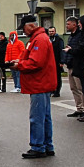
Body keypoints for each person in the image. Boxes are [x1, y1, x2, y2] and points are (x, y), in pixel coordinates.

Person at [13, 14, 56, 158]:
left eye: (24, 28)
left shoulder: (39, 40)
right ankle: (47, 145)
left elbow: (35, 62)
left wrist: (19, 65)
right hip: (42, 83)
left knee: (37, 117)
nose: (23, 32)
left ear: (31, 26)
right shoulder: (40, 38)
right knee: (44, 117)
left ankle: (38, 146)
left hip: (39, 83)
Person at [46, 27, 64, 97]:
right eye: (50, 31)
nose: (51, 33)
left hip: (57, 61)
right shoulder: (48, 39)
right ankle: (52, 90)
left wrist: (62, 61)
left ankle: (57, 91)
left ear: (55, 32)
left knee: (57, 77)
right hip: (49, 62)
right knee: (50, 77)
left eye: (52, 31)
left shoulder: (59, 40)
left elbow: (61, 50)